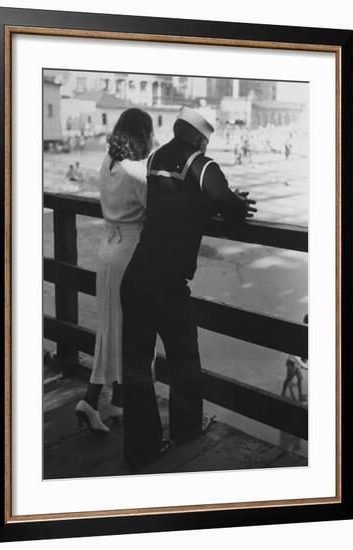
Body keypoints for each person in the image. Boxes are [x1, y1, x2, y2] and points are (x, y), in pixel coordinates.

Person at [120, 107, 257, 467]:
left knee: (135, 367)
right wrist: (232, 201)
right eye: (205, 140)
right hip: (167, 284)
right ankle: (186, 431)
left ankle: (141, 449)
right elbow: (232, 209)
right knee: (183, 359)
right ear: (200, 138)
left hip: (135, 278)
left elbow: (175, 202)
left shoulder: (155, 160)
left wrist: (213, 201)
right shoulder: (203, 165)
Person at [75, 108, 154, 433]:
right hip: (130, 254)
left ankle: (115, 402)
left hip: (107, 251)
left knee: (110, 328)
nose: (153, 139)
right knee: (132, 333)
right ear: (142, 136)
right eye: (150, 133)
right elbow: (159, 209)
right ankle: (93, 399)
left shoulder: (108, 166)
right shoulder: (137, 173)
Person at [281, 314, 308, 402]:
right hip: (292, 363)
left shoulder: (302, 332)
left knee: (300, 378)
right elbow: (294, 355)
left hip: (295, 363)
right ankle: (283, 393)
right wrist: (303, 365)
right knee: (288, 379)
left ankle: (300, 395)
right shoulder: (301, 334)